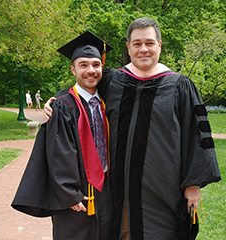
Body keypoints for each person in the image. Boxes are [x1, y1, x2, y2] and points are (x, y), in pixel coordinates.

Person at [44, 18, 221, 240]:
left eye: (149, 43)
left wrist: (193, 185)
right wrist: (58, 100)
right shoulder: (114, 80)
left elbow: (196, 135)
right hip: (121, 191)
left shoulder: (179, 86)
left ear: (160, 45)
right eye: (137, 44)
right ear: (128, 48)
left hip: (164, 192)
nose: (143, 49)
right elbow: (84, 87)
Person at [12, 31, 114, 240]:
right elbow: (58, 154)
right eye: (83, 65)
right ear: (73, 69)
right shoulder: (62, 106)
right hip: (76, 194)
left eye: (96, 64)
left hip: (107, 187)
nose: (90, 70)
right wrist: (69, 193)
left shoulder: (109, 102)